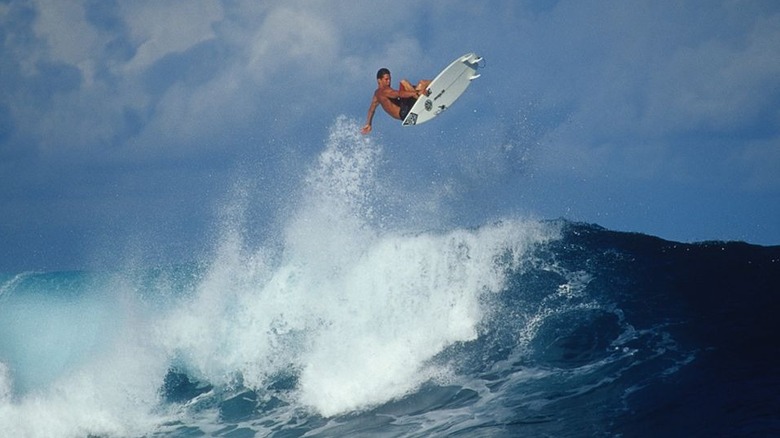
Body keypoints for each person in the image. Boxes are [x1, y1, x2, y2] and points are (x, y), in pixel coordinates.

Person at [361, 68, 431, 134]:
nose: (389, 82)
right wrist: (416, 93)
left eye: (390, 79)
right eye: (386, 79)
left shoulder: (376, 95)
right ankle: (421, 99)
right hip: (404, 111)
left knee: (421, 84)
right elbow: (398, 94)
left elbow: (371, 110)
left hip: (403, 115)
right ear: (379, 80)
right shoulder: (384, 90)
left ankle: (424, 93)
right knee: (404, 82)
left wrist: (368, 123)